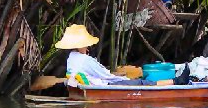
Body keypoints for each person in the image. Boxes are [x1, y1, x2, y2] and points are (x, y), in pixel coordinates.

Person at [56, 24, 190, 86]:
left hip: (99, 82)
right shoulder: (84, 60)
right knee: (142, 82)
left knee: (131, 78)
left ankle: (176, 81)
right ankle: (177, 82)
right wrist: (120, 77)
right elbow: (105, 76)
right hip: (105, 85)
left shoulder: (72, 57)